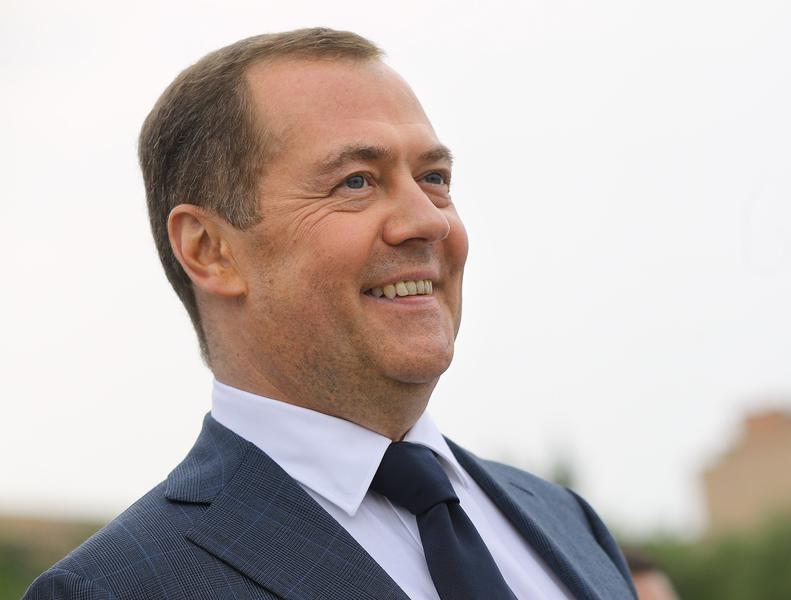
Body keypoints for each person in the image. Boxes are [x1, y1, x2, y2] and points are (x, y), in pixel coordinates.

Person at [25, 28, 637, 600]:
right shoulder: (119, 586)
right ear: (210, 250)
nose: (428, 220)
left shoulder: (568, 522)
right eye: (356, 182)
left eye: (434, 177)